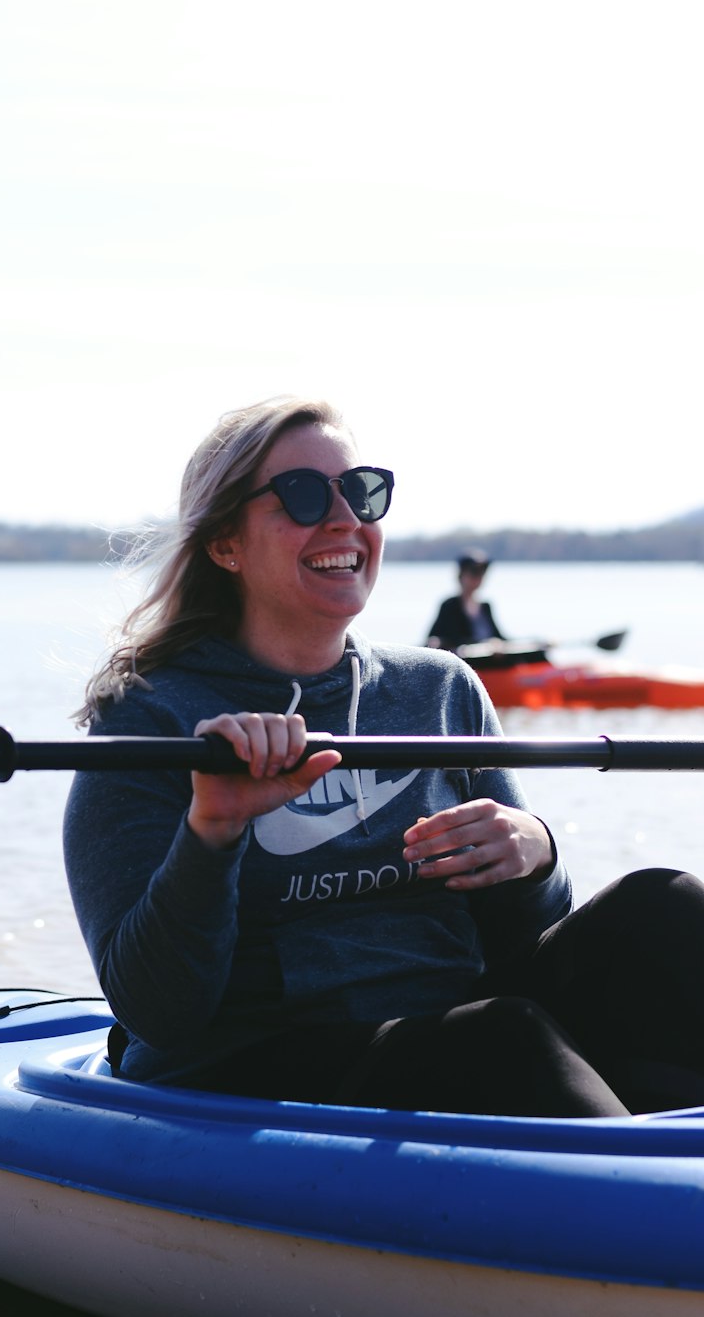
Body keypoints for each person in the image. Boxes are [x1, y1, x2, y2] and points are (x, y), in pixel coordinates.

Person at [64, 395, 704, 1118]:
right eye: (303, 495)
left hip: (452, 1021)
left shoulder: (439, 690)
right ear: (225, 544)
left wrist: (536, 856)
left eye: (363, 492)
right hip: (252, 1063)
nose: (346, 519)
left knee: (662, 903)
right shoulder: (153, 717)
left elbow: (525, 935)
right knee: (504, 1041)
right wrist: (211, 834)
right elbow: (158, 1011)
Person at [426, 548, 506, 652]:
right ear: (461, 575)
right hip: (464, 663)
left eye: (482, 572)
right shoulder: (450, 605)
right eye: (474, 572)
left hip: (488, 662)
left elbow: (500, 638)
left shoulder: (485, 606)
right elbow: (434, 640)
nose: (478, 577)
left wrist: (497, 643)